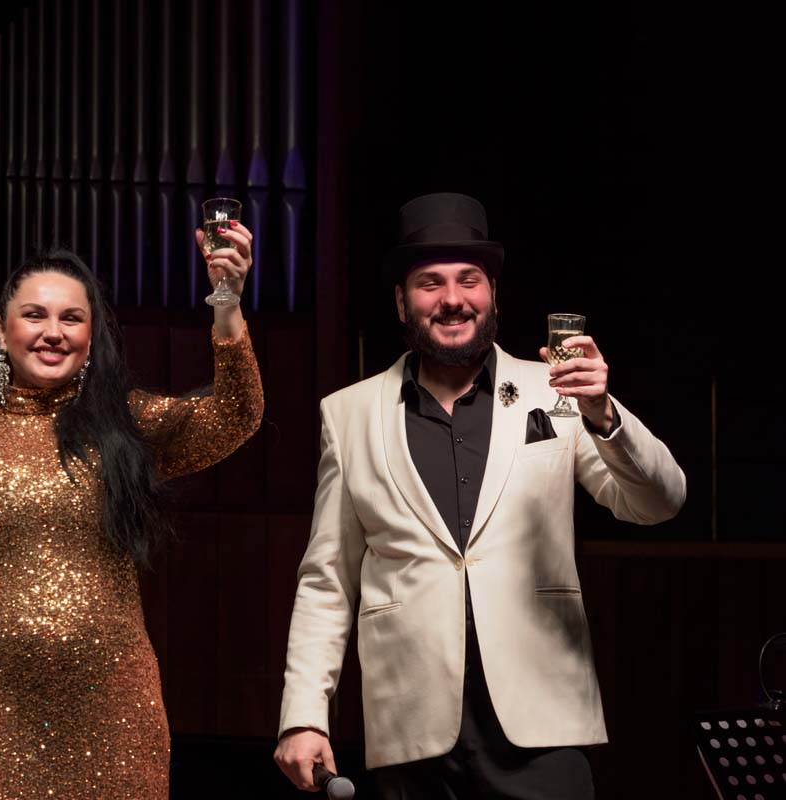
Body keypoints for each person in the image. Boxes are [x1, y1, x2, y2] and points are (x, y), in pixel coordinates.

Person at [273, 193, 686, 798]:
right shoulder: (348, 414)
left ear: (493, 293)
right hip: (412, 734)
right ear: (401, 301)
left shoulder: (559, 393)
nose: (452, 299)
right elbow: (327, 579)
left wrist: (603, 415)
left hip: (542, 726)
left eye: (469, 280)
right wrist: (304, 714)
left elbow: (659, 502)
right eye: (430, 283)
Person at [0, 222, 263, 799]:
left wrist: (226, 303)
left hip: (115, 712)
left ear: (91, 337)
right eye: (34, 315)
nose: (53, 332)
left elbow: (236, 416)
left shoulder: (127, 424)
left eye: (72, 318)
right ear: (1, 331)